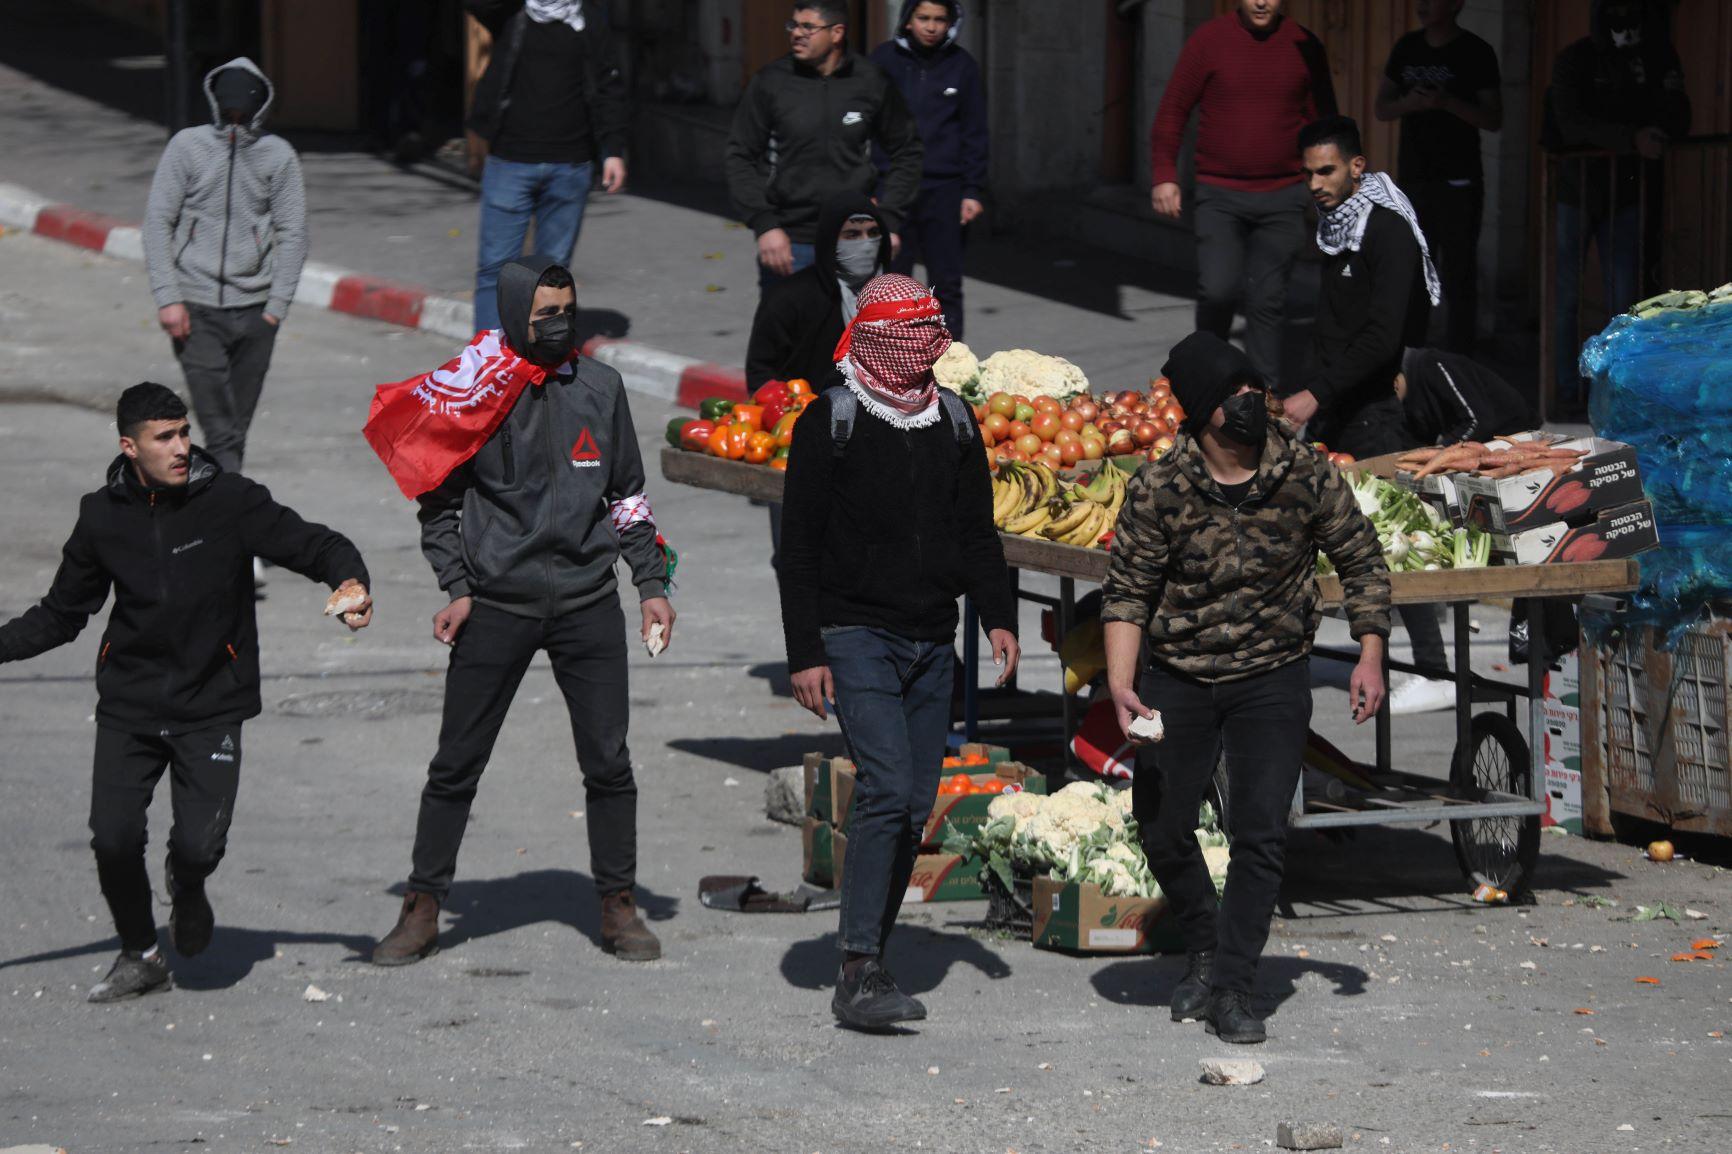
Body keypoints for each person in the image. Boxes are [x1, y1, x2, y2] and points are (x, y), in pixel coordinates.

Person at [0, 383, 372, 1002]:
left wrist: (351, 581)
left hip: (211, 702)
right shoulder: (101, 515)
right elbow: (62, 614)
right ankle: (140, 953)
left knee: (199, 846)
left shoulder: (227, 500)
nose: (180, 447)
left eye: (183, 432)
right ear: (130, 446)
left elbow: (317, 544)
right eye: (163, 437)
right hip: (131, 704)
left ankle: (189, 884)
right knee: (113, 837)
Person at [364, 256, 675, 967]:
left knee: (609, 762)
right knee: (456, 765)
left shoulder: (601, 388)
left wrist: (649, 584)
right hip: (497, 605)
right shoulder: (474, 389)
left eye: (569, 309)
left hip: (587, 601)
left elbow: (627, 496)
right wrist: (458, 586)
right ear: (512, 316)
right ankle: (422, 906)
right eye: (544, 315)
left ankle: (617, 902)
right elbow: (438, 503)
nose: (559, 324)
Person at [1100, 331, 1390, 1044]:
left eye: (1253, 387)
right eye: (1233, 393)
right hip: (1179, 678)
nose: (1249, 401)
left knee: (1259, 832)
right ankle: (1203, 940)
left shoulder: (1303, 472)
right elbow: (1128, 590)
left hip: (1271, 676)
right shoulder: (1160, 486)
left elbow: (1361, 558)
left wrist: (1370, 652)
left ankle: (1233, 986)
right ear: (1203, 412)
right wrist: (1119, 681)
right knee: (1163, 827)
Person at [779, 274, 1019, 1029]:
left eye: (931, 334)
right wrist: (804, 652)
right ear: (878, 339)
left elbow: (977, 531)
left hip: (930, 639)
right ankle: (856, 967)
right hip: (856, 636)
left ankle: (870, 958)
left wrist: (998, 617)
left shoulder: (952, 419)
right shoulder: (832, 420)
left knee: (914, 805)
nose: (924, 350)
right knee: (884, 788)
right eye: (908, 336)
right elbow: (800, 548)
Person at [1286, 116, 1446, 713]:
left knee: (1391, 539)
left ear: (1357, 167)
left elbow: (1382, 337)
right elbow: (1333, 330)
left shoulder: (1387, 232)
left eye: (1326, 170)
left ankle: (1434, 669)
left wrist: (1314, 393)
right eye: (1307, 173)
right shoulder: (1335, 230)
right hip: (1334, 404)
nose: (1315, 184)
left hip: (1375, 408)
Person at [1149, 0, 1336, 389]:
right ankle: (1205, 382)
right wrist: (1165, 175)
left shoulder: (1304, 45)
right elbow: (1173, 110)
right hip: (1220, 195)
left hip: (1282, 196)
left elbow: (1325, 122)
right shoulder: (1208, 41)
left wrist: (1332, 185)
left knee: (1268, 302)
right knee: (1218, 289)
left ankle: (1263, 398)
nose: (1262, 1)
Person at [145, 58, 306, 478]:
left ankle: (208, 512)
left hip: (256, 314)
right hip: (196, 310)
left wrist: (275, 310)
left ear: (259, 108)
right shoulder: (186, 147)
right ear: (215, 104)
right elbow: (158, 222)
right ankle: (229, 517)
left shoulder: (279, 157)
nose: (235, 120)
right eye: (228, 110)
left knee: (235, 428)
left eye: (243, 112)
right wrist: (168, 298)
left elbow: (293, 233)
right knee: (221, 430)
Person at [1542, 0, 1689, 411]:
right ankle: (1565, 392)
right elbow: (1570, 123)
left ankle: (1616, 390)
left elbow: (1679, 113)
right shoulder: (1576, 59)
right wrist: (1630, 138)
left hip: (1627, 193)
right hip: (1577, 189)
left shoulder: (1656, 54)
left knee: (1623, 299)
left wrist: (1654, 125)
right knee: (1566, 298)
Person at [726, 2, 924, 290]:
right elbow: (740, 155)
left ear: (837, 33)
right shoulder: (771, 82)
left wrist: (890, 218)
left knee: (855, 334)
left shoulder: (870, 81)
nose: (796, 33)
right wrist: (765, 224)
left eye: (808, 27)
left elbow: (907, 150)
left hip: (855, 241)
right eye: (793, 25)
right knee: (790, 334)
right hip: (792, 243)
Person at [466, 0, 630, 332]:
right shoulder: (511, 13)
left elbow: (608, 86)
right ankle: (488, 363)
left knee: (551, 273)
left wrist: (612, 150)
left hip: (570, 166)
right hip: (510, 161)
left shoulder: (589, 19)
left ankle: (541, 358)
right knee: (495, 268)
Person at [1375, 0, 1503, 354]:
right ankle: (1410, 356)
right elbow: (1382, 108)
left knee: (1459, 270)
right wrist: (1410, 104)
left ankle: (1459, 356)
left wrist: (1447, 103)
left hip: (1459, 180)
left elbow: (1493, 118)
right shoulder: (1407, 47)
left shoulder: (1475, 51)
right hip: (1415, 177)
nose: (1423, 5)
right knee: (1414, 268)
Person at [870, 0, 988, 339]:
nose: (932, 27)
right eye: (923, 18)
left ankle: (950, 361)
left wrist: (972, 190)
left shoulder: (962, 66)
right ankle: (893, 355)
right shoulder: (883, 61)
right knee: (893, 282)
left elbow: (975, 131)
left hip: (945, 189)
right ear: (908, 20)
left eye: (940, 19)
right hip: (893, 189)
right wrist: (872, 189)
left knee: (945, 282)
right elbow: (867, 124)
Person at [746, 192, 893, 392]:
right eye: (852, 235)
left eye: (873, 233)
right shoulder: (788, 298)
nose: (866, 244)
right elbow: (761, 373)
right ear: (831, 239)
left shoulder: (896, 297)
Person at [1395, 346, 1534, 448]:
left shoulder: (1432, 365)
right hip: (1475, 441)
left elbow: (1477, 420)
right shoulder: (1407, 401)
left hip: (1509, 432)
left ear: (1395, 383)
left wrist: (1441, 451)